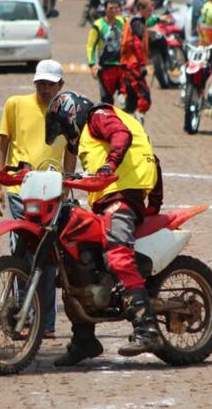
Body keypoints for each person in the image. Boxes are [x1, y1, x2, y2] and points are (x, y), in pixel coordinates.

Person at [44, 91, 164, 365]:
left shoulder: (99, 117)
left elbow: (121, 135)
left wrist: (109, 165)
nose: (67, 135)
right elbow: (153, 161)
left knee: (118, 256)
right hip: (109, 200)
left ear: (71, 115)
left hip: (121, 198)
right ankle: (84, 339)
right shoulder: (94, 128)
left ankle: (147, 328)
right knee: (73, 258)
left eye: (64, 127)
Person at [0, 60, 77, 338]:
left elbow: (72, 150)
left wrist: (67, 181)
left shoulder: (69, 112)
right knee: (23, 254)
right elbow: (2, 146)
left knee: (49, 257)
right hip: (21, 192)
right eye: (41, 83)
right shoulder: (15, 105)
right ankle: (24, 315)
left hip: (52, 192)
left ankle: (48, 324)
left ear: (61, 85)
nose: (44, 88)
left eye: (50, 84)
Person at [87, 0, 131, 108]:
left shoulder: (124, 21)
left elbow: (140, 22)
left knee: (126, 97)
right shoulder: (98, 25)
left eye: (116, 8)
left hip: (121, 66)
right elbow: (91, 46)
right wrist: (92, 64)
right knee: (106, 101)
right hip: (105, 68)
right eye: (111, 8)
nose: (114, 11)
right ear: (105, 9)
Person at [119, 0, 154, 118]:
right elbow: (136, 44)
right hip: (133, 65)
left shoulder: (136, 21)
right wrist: (142, 64)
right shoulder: (137, 22)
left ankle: (129, 124)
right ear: (140, 8)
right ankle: (136, 124)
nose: (151, 13)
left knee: (132, 100)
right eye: (149, 10)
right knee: (145, 99)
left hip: (128, 64)